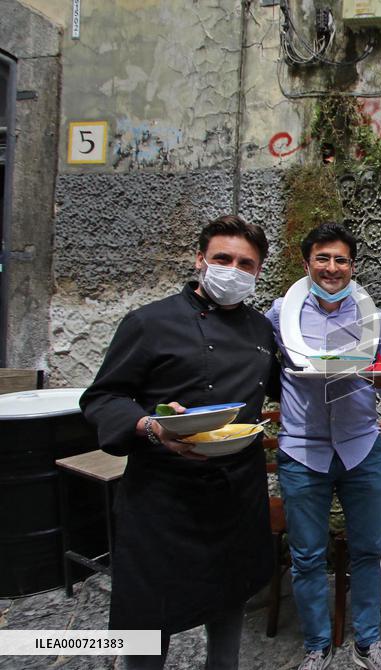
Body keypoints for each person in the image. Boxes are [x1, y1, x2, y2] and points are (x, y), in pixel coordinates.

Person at [80, 215, 278, 670]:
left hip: (234, 496)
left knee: (229, 609)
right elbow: (103, 397)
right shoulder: (150, 323)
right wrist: (151, 427)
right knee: (147, 626)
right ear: (200, 261)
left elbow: (284, 389)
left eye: (246, 264)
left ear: (258, 272)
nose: (234, 269)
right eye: (223, 258)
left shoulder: (261, 331)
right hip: (163, 501)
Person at [266, 223, 381, 670]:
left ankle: (366, 640)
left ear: (352, 266)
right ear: (306, 264)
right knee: (306, 556)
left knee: (368, 548)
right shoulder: (278, 313)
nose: (332, 267)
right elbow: (269, 373)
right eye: (323, 258)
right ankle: (316, 644)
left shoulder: (373, 317)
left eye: (341, 259)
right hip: (302, 452)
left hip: (362, 449)